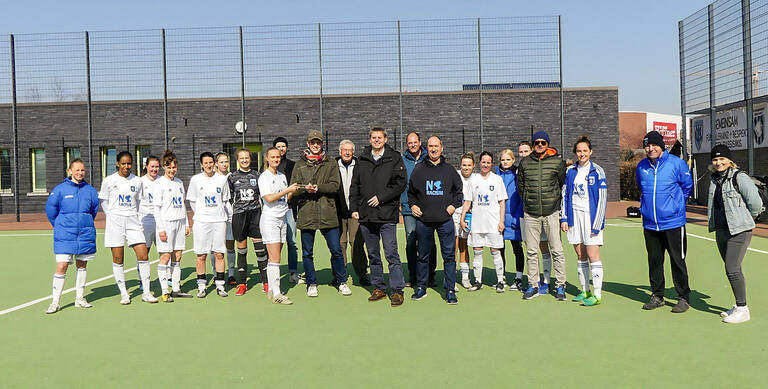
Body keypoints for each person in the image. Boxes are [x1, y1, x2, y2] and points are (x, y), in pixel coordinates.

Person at [636, 130, 694, 313]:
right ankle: (657, 295)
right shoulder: (641, 167)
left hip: (673, 223)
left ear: (662, 146)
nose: (650, 148)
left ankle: (683, 297)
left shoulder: (677, 164)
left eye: (654, 145)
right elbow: (641, 188)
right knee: (654, 261)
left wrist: (676, 206)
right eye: (647, 145)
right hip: (650, 223)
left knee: (678, 261)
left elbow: (687, 187)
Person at [350, 128, 407, 306]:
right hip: (367, 216)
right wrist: (354, 208)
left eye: (379, 138)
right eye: (373, 138)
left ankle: (397, 290)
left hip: (387, 215)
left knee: (391, 254)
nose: (376, 140)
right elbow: (355, 186)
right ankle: (379, 288)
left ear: (385, 139)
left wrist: (381, 197)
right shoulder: (362, 159)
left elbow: (400, 183)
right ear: (370, 140)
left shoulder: (394, 157)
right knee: (373, 254)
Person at [290, 130, 350, 297]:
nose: (315, 145)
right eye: (312, 142)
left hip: (327, 213)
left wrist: (319, 188)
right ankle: (311, 283)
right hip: (306, 212)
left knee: (336, 250)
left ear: (322, 144)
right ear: (308, 144)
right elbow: (294, 188)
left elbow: (335, 185)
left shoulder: (331, 163)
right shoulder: (299, 164)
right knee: (307, 252)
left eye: (318, 142)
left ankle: (341, 281)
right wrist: (305, 188)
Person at [707, 144, 763, 323]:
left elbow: (755, 202)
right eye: (715, 159)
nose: (718, 162)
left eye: (722, 159)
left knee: (731, 269)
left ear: (729, 160)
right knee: (733, 268)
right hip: (722, 230)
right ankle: (738, 306)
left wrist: (748, 218)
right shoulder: (714, 179)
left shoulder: (740, 177)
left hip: (739, 230)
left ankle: (743, 309)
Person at [407, 136, 464, 304]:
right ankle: (421, 287)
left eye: (436, 146)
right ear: (427, 148)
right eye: (430, 146)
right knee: (423, 256)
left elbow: (459, 193)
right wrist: (413, 206)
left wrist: (453, 205)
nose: (433, 149)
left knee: (449, 257)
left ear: (442, 148)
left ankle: (450, 290)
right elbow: (411, 193)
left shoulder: (449, 170)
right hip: (424, 221)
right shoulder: (419, 169)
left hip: (445, 221)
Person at [99, 151, 157, 305]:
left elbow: (138, 202)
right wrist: (111, 215)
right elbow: (104, 201)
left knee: (143, 254)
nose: (126, 166)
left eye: (129, 163)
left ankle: (146, 292)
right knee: (118, 258)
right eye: (123, 163)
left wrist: (134, 216)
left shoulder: (137, 181)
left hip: (133, 221)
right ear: (117, 163)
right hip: (115, 223)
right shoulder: (109, 180)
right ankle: (124, 294)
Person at [44, 159, 100, 313]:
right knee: (61, 267)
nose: (80, 173)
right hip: (64, 235)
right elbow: (51, 210)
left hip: (84, 234)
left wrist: (84, 223)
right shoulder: (60, 190)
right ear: (69, 171)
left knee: (82, 266)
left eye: (82, 170)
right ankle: (55, 302)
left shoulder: (90, 191)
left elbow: (93, 210)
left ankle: (80, 298)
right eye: (77, 170)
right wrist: (60, 226)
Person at [517, 131, 567, 301]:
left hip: (552, 212)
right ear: (532, 145)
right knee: (531, 251)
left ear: (547, 144)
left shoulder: (557, 162)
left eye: (543, 142)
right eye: (536, 142)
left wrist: (553, 202)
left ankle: (560, 285)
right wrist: (528, 200)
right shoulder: (524, 163)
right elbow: (521, 187)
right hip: (531, 213)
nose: (539, 145)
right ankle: (533, 285)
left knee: (557, 251)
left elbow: (561, 184)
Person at [560, 136, 608, 306]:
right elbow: (565, 195)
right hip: (574, 218)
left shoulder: (598, 171)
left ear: (590, 152)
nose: (582, 154)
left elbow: (602, 199)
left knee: (593, 255)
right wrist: (564, 217)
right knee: (580, 254)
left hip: (590, 217)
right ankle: (584, 290)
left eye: (585, 151)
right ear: (575, 153)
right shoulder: (570, 171)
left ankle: (597, 294)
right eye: (579, 151)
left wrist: (597, 224)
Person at [461, 151, 508, 293]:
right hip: (477, 223)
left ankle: (500, 280)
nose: (485, 165)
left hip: (493, 223)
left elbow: (502, 202)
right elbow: (468, 201)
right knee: (477, 251)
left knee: (495, 251)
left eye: (488, 162)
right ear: (479, 163)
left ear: (491, 164)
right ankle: (478, 281)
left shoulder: (497, 180)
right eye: (483, 162)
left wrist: (501, 221)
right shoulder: (473, 180)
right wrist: (462, 218)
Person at [260, 147, 301, 305]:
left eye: (278, 157)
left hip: (282, 218)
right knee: (275, 257)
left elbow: (285, 198)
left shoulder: (282, 176)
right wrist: (287, 190)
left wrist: (295, 190)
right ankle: (277, 293)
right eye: (273, 157)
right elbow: (269, 198)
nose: (276, 159)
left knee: (275, 257)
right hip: (270, 219)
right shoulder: (264, 177)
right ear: (267, 159)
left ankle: (272, 289)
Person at [188, 152, 231, 298]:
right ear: (201, 164)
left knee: (219, 254)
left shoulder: (222, 179)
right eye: (205, 163)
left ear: (215, 163)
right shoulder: (195, 180)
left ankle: (220, 285)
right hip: (201, 222)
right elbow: (193, 201)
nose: (208, 165)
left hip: (219, 221)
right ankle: (201, 285)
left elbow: (225, 200)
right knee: (201, 255)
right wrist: (202, 214)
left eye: (210, 162)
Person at [228, 149, 269, 296]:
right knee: (242, 250)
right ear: (238, 160)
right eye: (242, 158)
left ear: (250, 159)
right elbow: (230, 197)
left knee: (260, 250)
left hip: (255, 214)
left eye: (247, 158)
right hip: (239, 215)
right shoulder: (232, 177)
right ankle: (242, 283)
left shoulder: (258, 176)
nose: (245, 160)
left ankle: (266, 282)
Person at [152, 150, 192, 302]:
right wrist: (161, 228)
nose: (171, 170)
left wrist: (187, 223)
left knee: (178, 256)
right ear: (164, 167)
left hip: (180, 222)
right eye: (169, 167)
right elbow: (156, 208)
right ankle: (164, 292)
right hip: (166, 224)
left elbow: (182, 204)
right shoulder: (159, 184)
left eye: (174, 167)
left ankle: (176, 288)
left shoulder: (179, 183)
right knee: (165, 256)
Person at [401, 132, 437, 287]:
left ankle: (430, 274)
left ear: (420, 142)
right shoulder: (402, 160)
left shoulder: (428, 158)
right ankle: (413, 274)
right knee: (410, 241)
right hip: (409, 207)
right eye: (410, 143)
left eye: (415, 142)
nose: (413, 145)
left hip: (427, 208)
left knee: (429, 242)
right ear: (407, 144)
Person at [336, 139, 370, 286]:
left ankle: (362, 274)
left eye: (350, 150)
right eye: (344, 150)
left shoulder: (360, 165)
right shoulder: (333, 165)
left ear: (353, 152)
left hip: (356, 212)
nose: (347, 152)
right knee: (340, 244)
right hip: (338, 212)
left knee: (356, 243)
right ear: (340, 152)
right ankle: (339, 275)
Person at [495, 149, 525, 291]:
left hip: (514, 217)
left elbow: (520, 197)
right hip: (499, 219)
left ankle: (518, 278)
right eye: (503, 160)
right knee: (499, 249)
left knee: (517, 248)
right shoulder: (496, 174)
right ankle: (502, 277)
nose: (505, 162)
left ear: (513, 160)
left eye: (508, 159)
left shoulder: (518, 174)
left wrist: (518, 217)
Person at [273, 136, 301, 284]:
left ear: (287, 148)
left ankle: (293, 272)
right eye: (278, 146)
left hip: (289, 209)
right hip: (273, 211)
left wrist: (287, 198)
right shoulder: (268, 166)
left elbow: (295, 185)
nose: (281, 149)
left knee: (292, 242)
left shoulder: (292, 165)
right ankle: (273, 272)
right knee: (274, 242)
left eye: (283, 146)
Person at [136, 155, 160, 291]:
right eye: (152, 166)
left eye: (157, 167)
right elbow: (136, 203)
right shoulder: (140, 182)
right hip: (145, 220)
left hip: (161, 220)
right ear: (147, 166)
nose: (154, 169)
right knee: (144, 251)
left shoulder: (162, 181)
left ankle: (167, 277)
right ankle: (142, 279)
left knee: (164, 250)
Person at [215, 152, 237, 285]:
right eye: (221, 162)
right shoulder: (212, 177)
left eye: (226, 161)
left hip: (230, 213)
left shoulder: (232, 177)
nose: (224, 164)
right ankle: (216, 274)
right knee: (216, 247)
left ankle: (231, 274)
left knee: (230, 244)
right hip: (216, 214)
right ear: (216, 163)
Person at [456, 153, 476, 289]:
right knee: (453, 247)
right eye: (464, 165)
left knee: (464, 246)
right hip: (454, 215)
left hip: (469, 216)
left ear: (473, 166)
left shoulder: (477, 179)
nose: (466, 167)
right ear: (460, 165)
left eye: (469, 165)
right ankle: (450, 278)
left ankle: (465, 277)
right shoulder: (454, 175)